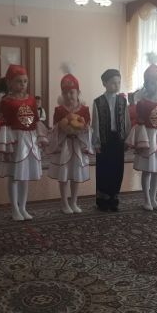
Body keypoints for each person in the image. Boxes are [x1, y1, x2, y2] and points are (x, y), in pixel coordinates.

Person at [0, 65, 48, 221]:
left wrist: (40, 137)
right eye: (18, 81)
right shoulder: (6, 101)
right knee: (14, 175)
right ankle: (14, 208)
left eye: (25, 81)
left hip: (30, 139)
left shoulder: (31, 99)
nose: (23, 84)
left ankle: (23, 207)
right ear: (9, 82)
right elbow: (4, 123)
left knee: (25, 175)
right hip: (15, 140)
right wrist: (6, 145)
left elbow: (36, 120)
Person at [126, 54, 157, 211]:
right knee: (147, 170)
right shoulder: (142, 103)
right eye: (153, 83)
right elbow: (140, 123)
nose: (156, 85)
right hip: (147, 138)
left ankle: (154, 198)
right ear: (146, 84)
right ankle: (146, 199)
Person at [47, 70, 93, 214]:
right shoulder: (59, 110)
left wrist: (83, 129)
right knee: (64, 174)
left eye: (71, 92)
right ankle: (64, 202)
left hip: (78, 146)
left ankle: (74, 201)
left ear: (78, 92)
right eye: (65, 92)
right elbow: (54, 129)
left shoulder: (84, 110)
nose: (68, 95)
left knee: (76, 174)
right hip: (65, 146)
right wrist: (62, 127)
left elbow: (88, 128)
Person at [92, 68, 131, 212]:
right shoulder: (98, 102)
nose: (117, 85)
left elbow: (126, 121)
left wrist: (127, 138)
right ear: (104, 83)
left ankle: (114, 198)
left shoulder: (122, 101)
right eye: (113, 82)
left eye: (119, 82)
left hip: (118, 139)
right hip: (104, 139)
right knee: (104, 168)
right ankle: (102, 199)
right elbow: (95, 123)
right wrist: (96, 142)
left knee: (117, 168)